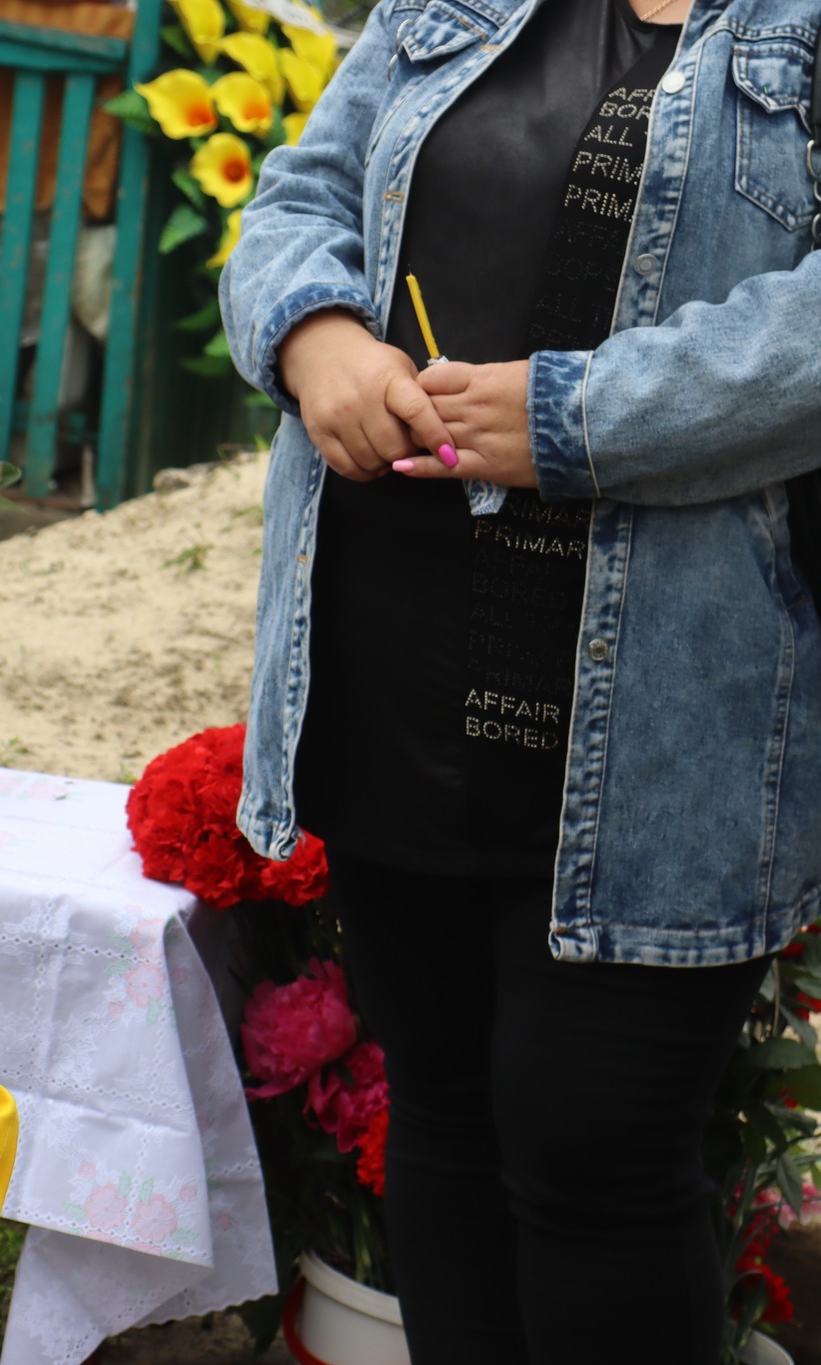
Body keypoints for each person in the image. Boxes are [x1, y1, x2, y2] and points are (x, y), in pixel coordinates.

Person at [221, 0, 821, 1360]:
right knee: (443, 1118)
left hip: (667, 703)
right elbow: (299, 198)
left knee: (598, 1153)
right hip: (394, 662)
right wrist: (316, 336)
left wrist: (572, 419)